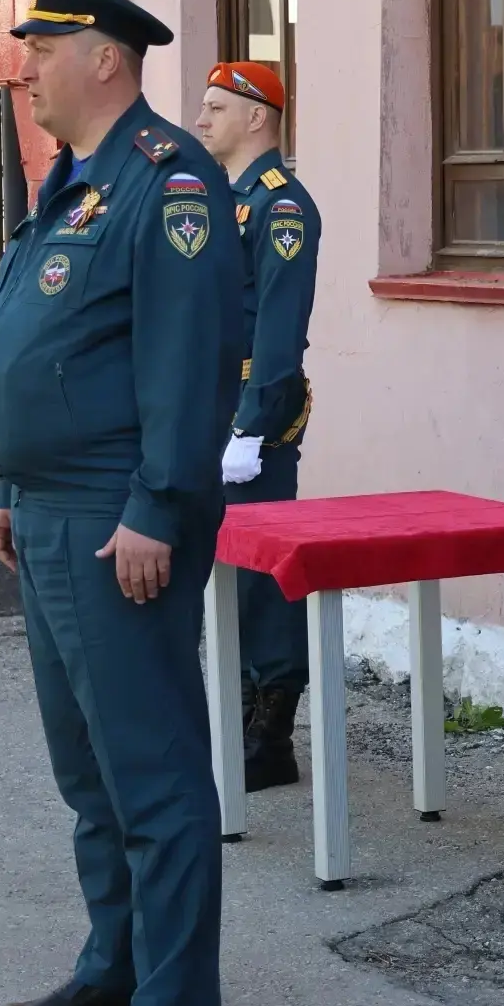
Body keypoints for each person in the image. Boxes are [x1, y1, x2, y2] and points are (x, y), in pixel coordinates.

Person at [0, 0, 243, 1006]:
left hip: (114, 512)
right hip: (47, 506)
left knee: (148, 755)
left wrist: (157, 507)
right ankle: (114, 959)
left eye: (41, 49)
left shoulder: (168, 182)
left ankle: (174, 993)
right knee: (85, 764)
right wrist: (11, 484)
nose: (24, 68)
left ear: (105, 59)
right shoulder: (75, 180)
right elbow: (51, 348)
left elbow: (188, 365)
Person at [193, 60, 318, 792]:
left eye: (216, 107)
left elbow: (278, 324)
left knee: (260, 576)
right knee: (224, 568)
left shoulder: (282, 206)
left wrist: (252, 425)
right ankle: (238, 716)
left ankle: (270, 735)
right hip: (211, 407)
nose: (201, 119)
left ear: (257, 118)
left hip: (252, 415)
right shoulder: (223, 199)